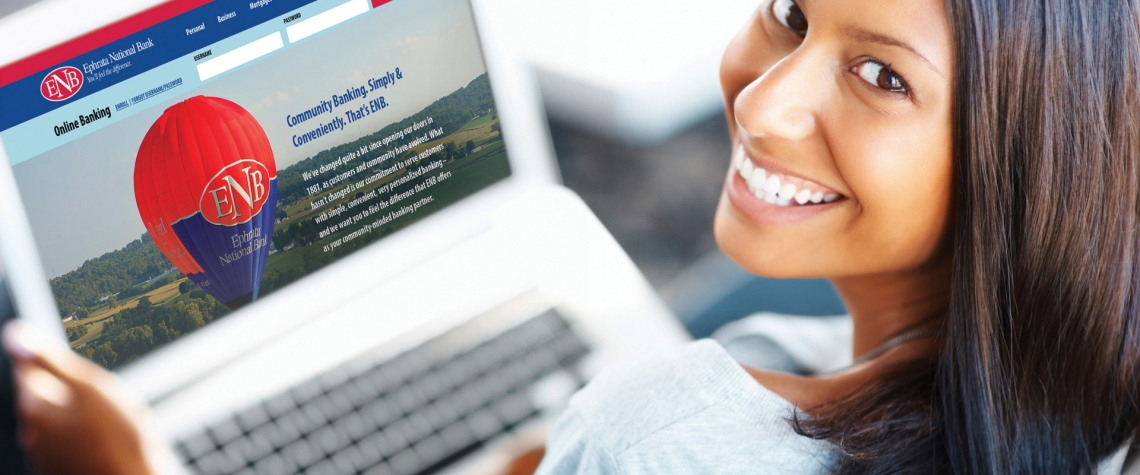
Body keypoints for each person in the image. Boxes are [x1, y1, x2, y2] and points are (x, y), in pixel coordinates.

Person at [5, 0, 1140, 473]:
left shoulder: (665, 428)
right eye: (792, 11)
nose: (761, 103)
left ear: (1034, 159)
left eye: (882, 75)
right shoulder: (1094, 401)